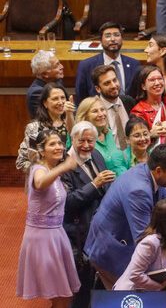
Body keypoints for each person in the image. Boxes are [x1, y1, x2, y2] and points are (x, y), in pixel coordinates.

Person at [84, 145, 166, 289]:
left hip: (124, 242)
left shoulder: (156, 176)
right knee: (127, 298)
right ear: (159, 171)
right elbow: (144, 236)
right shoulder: (138, 190)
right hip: (111, 248)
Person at [16, 130, 80, 308]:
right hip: (41, 238)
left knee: (64, 296)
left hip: (57, 235)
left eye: (60, 143)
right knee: (61, 296)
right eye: (52, 144)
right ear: (41, 150)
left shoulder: (53, 170)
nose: (58, 147)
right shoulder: (38, 169)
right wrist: (64, 167)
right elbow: (40, 183)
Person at [62, 121, 114, 308]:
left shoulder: (97, 154)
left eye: (90, 141)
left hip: (101, 229)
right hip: (78, 233)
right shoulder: (64, 165)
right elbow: (68, 203)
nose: (86, 145)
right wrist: (95, 184)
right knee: (81, 286)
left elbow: (106, 185)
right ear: (72, 139)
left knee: (98, 281)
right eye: (81, 140)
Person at [75, 22, 141, 103]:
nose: (113, 39)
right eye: (108, 36)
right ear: (100, 41)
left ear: (122, 38)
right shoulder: (86, 65)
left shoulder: (134, 64)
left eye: (116, 35)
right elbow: (81, 99)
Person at [17, 83, 74, 173]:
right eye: (55, 98)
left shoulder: (73, 124)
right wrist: (44, 172)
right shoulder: (35, 128)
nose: (61, 102)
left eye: (63, 98)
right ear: (45, 103)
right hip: (46, 180)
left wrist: (70, 115)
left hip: (72, 181)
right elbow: (21, 162)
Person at [76, 97, 129, 176]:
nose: (101, 114)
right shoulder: (81, 140)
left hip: (124, 179)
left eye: (102, 110)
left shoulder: (109, 133)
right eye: (95, 111)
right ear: (85, 116)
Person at [91, 64, 137, 150]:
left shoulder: (129, 102)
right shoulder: (93, 110)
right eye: (107, 83)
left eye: (115, 80)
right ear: (98, 89)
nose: (113, 85)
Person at [129, 65, 166, 139]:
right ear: (143, 86)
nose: (157, 83)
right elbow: (137, 139)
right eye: (152, 80)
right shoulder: (138, 111)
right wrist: (151, 134)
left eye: (160, 79)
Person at [26, 50, 65, 118]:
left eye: (59, 63)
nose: (62, 67)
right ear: (45, 74)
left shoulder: (57, 81)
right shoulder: (37, 93)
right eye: (57, 65)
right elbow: (45, 119)